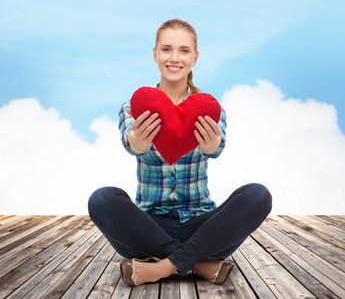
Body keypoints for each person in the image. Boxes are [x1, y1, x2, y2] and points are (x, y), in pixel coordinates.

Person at [88, 18, 272, 286]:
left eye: (184, 50)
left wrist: (212, 147)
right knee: (101, 199)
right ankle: (197, 264)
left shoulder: (209, 107)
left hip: (204, 227)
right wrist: (137, 142)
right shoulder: (133, 106)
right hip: (149, 228)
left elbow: (217, 147)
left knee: (258, 195)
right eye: (166, 49)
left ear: (195, 57)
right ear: (155, 54)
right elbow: (130, 141)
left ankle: (161, 267)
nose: (174, 58)